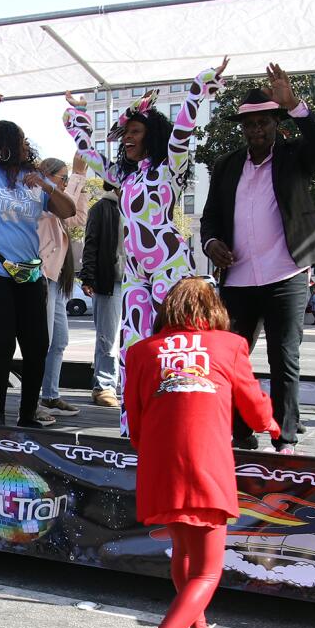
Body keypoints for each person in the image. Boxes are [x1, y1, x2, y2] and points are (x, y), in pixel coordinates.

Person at [118, 278, 277, 628]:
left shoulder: (141, 352)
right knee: (207, 570)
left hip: (160, 464)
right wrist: (272, 427)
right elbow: (254, 404)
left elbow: (133, 418)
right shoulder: (229, 344)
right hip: (207, 463)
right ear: (214, 310)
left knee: (185, 557)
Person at [64, 58, 228, 431]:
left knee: (177, 344)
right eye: (126, 134)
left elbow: (183, 130)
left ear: (152, 134)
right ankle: (132, 423)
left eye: (136, 131)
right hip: (137, 271)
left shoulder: (170, 166)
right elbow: (88, 152)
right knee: (132, 347)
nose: (129, 138)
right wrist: (77, 116)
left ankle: (184, 420)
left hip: (170, 265)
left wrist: (199, 86)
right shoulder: (124, 174)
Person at [199, 66, 315, 455]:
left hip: (287, 273)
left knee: (284, 360)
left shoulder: (295, 157)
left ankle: (285, 438)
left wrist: (295, 103)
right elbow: (210, 216)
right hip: (240, 278)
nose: (255, 131)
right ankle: (240, 431)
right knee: (233, 361)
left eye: (263, 123)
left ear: (276, 125)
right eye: (249, 125)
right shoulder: (227, 165)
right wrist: (212, 242)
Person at [0, 90, 77, 428]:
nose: (26, 147)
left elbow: (68, 211)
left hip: (27, 273)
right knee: (3, 341)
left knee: (38, 344)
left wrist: (48, 186)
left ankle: (26, 416)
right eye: (20, 141)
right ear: (5, 145)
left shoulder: (33, 180)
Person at [36, 155, 89, 421]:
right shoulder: (38, 196)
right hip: (43, 275)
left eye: (68, 179)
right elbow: (62, 209)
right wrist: (78, 177)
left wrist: (82, 185)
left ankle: (50, 393)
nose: (67, 182)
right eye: (63, 178)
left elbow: (77, 217)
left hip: (55, 277)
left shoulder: (54, 197)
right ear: (47, 176)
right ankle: (34, 400)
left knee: (59, 340)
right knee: (42, 340)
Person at [80, 181, 122, 408]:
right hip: (110, 280)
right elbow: (91, 243)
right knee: (109, 336)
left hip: (136, 280)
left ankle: (119, 384)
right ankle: (104, 386)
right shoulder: (102, 208)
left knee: (132, 336)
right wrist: (88, 276)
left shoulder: (139, 204)